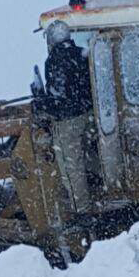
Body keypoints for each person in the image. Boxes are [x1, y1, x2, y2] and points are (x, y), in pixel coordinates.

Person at [38, 20, 94, 213]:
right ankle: (95, 190)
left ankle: (82, 209)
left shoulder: (55, 60)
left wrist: (41, 104)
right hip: (89, 115)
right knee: (87, 156)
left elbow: (59, 97)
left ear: (51, 40)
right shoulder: (82, 53)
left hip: (68, 121)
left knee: (71, 167)